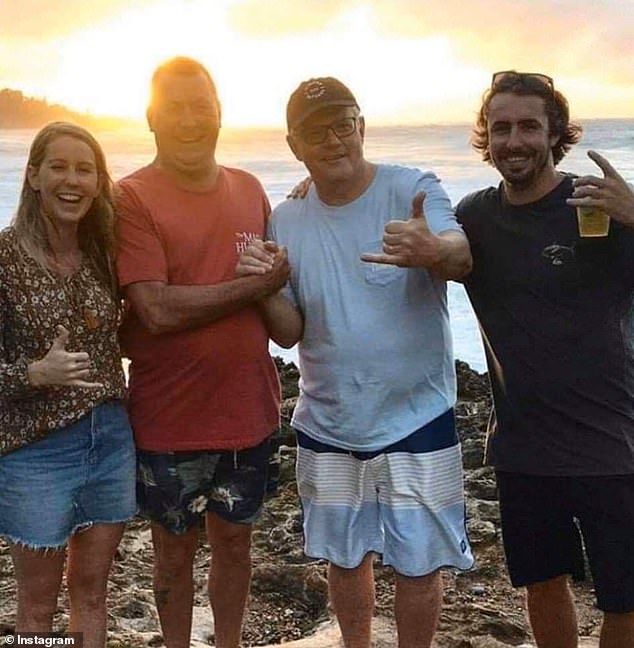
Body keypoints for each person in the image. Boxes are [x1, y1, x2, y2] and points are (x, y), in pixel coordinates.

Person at [237, 76, 474, 648]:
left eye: (344, 124)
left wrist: (434, 252)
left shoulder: (412, 189)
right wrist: (264, 286)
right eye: (317, 131)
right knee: (344, 557)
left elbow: (461, 256)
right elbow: (291, 334)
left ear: (362, 127)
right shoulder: (287, 220)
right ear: (295, 146)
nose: (334, 140)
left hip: (418, 418)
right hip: (327, 421)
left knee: (419, 563)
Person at [454, 70, 634, 647]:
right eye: (501, 127)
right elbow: (400, 216)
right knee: (542, 583)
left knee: (626, 599)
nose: (514, 140)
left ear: (555, 132)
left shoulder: (597, 205)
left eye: (529, 126)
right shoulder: (474, 217)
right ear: (486, 136)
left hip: (611, 442)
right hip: (523, 447)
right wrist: (316, 188)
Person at [115, 57, 289, 648]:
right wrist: (253, 288)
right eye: (174, 109)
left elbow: (281, 308)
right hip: (169, 421)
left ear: (220, 112)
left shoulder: (249, 189)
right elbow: (155, 310)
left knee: (237, 543)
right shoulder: (131, 197)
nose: (190, 121)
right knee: (173, 552)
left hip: (251, 412)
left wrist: (315, 197)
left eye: (201, 106)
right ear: (151, 119)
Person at [0, 122, 136, 647]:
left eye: (85, 169)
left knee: (92, 591)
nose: (72, 180)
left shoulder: (105, 250)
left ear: (99, 183)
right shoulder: (6, 257)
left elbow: (172, 207)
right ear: (34, 175)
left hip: (110, 439)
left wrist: (303, 191)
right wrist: (34, 373)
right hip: (34, 451)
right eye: (58, 166)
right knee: (36, 607)